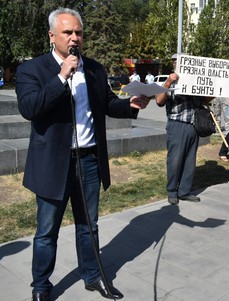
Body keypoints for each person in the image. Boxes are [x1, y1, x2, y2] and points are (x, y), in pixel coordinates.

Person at [15, 8, 150, 301]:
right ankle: (41, 286)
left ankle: (93, 276)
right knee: (46, 230)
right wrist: (61, 76)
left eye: (78, 32)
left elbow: (108, 104)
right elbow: (30, 108)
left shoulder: (94, 69)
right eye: (68, 32)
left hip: (88, 160)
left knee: (89, 226)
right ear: (52, 36)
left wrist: (132, 106)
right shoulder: (32, 70)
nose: (75, 37)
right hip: (53, 163)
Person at [156, 53, 204, 205]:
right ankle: (172, 191)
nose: (178, 64)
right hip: (177, 125)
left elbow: (204, 99)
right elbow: (159, 101)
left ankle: (184, 191)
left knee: (190, 161)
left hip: (193, 125)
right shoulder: (169, 82)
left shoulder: (195, 80)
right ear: (173, 64)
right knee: (175, 160)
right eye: (176, 61)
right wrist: (169, 81)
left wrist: (217, 87)